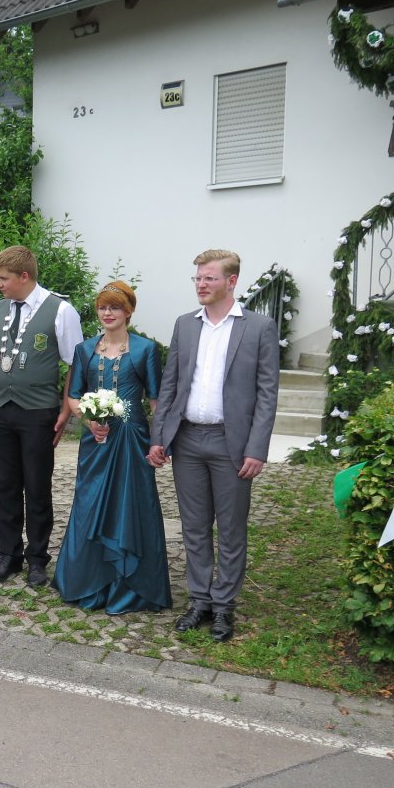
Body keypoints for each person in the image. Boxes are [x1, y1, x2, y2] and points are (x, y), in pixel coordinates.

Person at [148, 249, 280, 642]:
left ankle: (224, 606)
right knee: (194, 526)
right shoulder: (185, 325)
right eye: (198, 278)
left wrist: (257, 448)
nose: (201, 285)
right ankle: (200, 600)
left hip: (232, 444)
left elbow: (267, 393)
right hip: (188, 440)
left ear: (231, 281)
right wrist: (160, 436)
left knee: (232, 528)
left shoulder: (259, 327)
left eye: (209, 278)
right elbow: (170, 385)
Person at [54, 281, 172, 613]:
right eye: (103, 307)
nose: (107, 313)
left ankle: (132, 587)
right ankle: (88, 582)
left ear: (128, 311)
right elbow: (74, 395)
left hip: (132, 440)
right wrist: (89, 420)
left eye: (115, 307)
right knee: (89, 503)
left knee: (131, 504)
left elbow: (156, 400)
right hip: (96, 441)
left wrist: (160, 440)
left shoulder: (146, 349)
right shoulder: (85, 349)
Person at [0, 245, 84, 587]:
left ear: (24, 276)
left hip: (39, 412)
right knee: (4, 484)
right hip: (1, 411)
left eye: (3, 279)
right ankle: (9, 554)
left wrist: (65, 410)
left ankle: (37, 558)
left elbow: (76, 364)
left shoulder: (61, 310)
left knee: (37, 486)